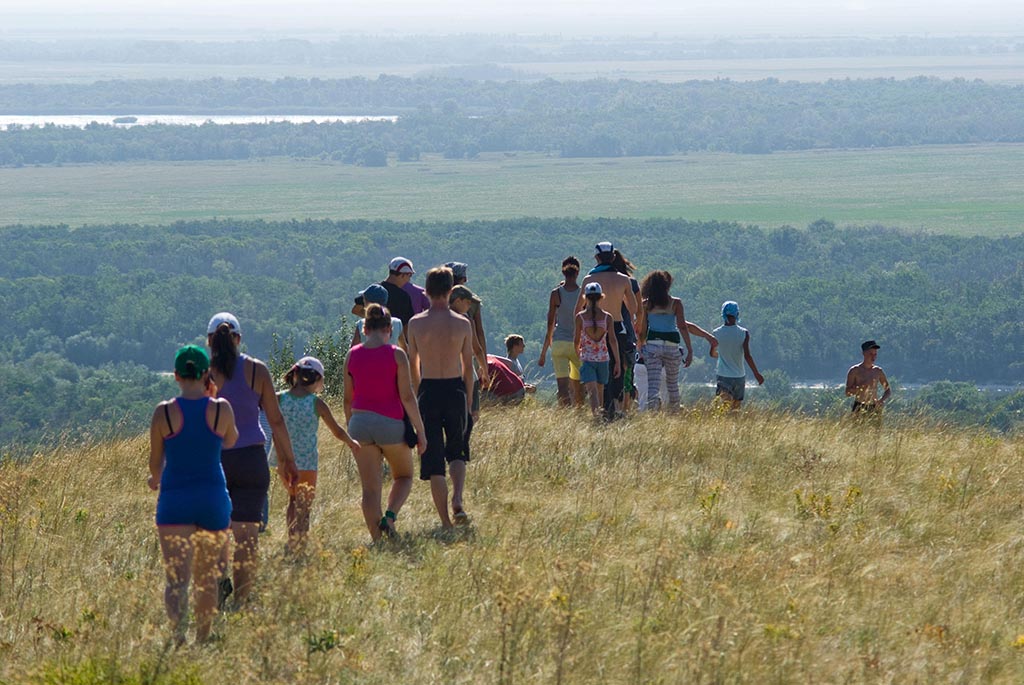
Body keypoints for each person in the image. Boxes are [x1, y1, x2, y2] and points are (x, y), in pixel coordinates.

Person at [206, 312, 298, 605]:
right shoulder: (257, 370)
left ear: (210, 341)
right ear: (239, 339)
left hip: (214, 461)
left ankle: (219, 585)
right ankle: (242, 602)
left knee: (215, 529)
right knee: (247, 535)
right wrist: (288, 460)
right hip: (251, 459)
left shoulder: (203, 374)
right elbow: (276, 420)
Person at [148, 345, 238, 642]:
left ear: (176, 376)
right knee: (208, 577)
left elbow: (155, 460)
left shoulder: (164, 413)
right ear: (205, 375)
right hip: (212, 499)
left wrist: (155, 478)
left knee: (176, 580)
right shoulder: (220, 409)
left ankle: (177, 639)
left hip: (174, 502)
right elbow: (230, 439)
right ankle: (203, 637)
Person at [344, 304, 427, 542]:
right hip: (390, 424)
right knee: (404, 477)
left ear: (365, 329)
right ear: (389, 329)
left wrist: (351, 431)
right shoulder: (397, 355)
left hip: (359, 424)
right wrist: (420, 431)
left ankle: (377, 541)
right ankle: (389, 517)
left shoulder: (352, 355)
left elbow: (347, 399)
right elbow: (407, 396)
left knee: (370, 490)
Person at [406, 267, 475, 528]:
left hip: (428, 389)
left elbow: (413, 363)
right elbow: (468, 367)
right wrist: (468, 399)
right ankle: (457, 498)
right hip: (455, 389)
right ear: (450, 291)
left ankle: (445, 520)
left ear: (427, 290)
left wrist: (416, 392)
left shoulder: (416, 323)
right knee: (457, 450)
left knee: (434, 459)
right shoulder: (462, 323)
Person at [271, 356, 360, 553]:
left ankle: (292, 539)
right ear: (317, 380)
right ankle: (300, 543)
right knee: (304, 507)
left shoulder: (279, 398)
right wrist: (351, 442)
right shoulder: (316, 404)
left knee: (293, 500)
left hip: (283, 461)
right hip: (307, 462)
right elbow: (336, 431)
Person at [577, 242, 635, 420]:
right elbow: (633, 307)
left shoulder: (588, 280)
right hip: (617, 325)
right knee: (616, 369)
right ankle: (615, 409)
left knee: (597, 371)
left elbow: (577, 308)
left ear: (597, 257)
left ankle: (601, 410)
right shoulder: (623, 279)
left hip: (592, 328)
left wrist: (578, 334)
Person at [636, 270, 693, 411]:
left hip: (653, 346)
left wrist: (640, 347)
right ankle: (674, 414)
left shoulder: (646, 304)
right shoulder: (676, 303)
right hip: (672, 345)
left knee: (653, 385)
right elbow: (682, 326)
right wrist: (689, 349)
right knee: (672, 385)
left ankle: (653, 415)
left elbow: (643, 329)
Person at [538, 256, 582, 406]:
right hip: (578, 344)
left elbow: (550, 323)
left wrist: (543, 352)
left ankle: (564, 415)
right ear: (577, 273)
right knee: (579, 385)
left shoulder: (556, 294)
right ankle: (579, 413)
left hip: (559, 343)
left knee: (562, 387)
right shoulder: (583, 294)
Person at [574, 282, 621, 417]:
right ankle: (599, 415)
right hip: (603, 358)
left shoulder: (580, 317)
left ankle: (596, 416)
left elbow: (576, 339)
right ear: (601, 297)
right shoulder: (607, 317)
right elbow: (612, 340)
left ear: (586, 298)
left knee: (592, 391)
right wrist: (617, 361)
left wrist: (577, 352)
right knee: (600, 390)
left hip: (587, 358)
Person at [712, 301, 764, 410]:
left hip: (723, 375)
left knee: (724, 408)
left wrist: (722, 355)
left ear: (723, 314)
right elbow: (747, 356)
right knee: (736, 410)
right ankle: (735, 427)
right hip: (739, 376)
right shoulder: (744, 333)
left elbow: (712, 353)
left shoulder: (716, 333)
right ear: (737, 314)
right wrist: (756, 373)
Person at [445, 261, 489, 362]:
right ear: (463, 279)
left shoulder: (438, 299)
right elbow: (479, 332)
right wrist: (483, 360)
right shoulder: (473, 301)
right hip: (469, 353)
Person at [846, 340, 891, 424]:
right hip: (859, 406)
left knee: (875, 434)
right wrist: (860, 388)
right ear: (864, 353)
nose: (873, 357)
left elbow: (888, 390)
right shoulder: (854, 371)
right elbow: (847, 393)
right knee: (857, 433)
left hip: (874, 407)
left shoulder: (878, 371)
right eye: (871, 354)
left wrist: (881, 400)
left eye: (875, 354)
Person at [351, 283, 406, 350]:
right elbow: (404, 348)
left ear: (367, 303)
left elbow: (353, 349)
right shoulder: (397, 323)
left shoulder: (361, 324)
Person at [381, 257, 416, 331]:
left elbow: (356, 309)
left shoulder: (375, 290)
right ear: (403, 275)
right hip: (395, 339)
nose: (409, 279)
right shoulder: (403, 297)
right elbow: (407, 324)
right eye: (409, 275)